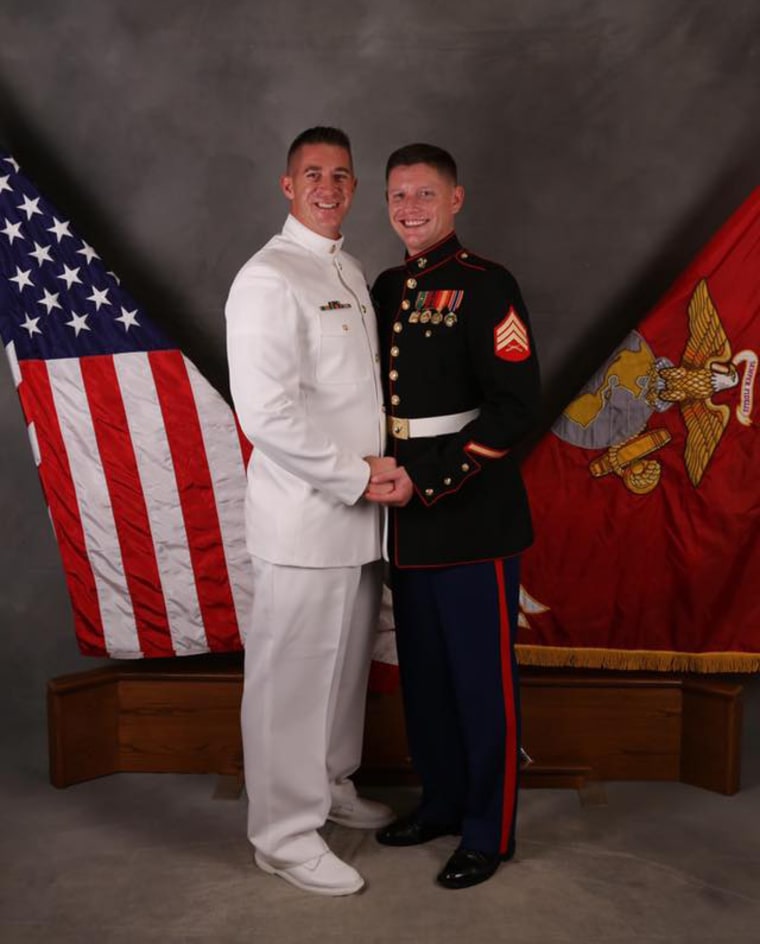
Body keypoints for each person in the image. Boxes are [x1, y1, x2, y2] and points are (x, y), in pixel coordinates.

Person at [365, 143, 541, 889]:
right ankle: (439, 803)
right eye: (399, 196)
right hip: (405, 519)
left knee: (480, 683)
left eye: (425, 195)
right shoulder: (382, 286)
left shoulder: (487, 285)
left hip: (470, 514)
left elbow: (514, 407)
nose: (411, 209)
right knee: (426, 681)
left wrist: (428, 482)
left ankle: (486, 830)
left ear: (456, 199)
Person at [225, 126, 394, 897]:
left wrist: (373, 489)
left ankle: (328, 787)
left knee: (343, 671)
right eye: (313, 175)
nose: (329, 187)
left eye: (342, 175)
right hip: (306, 516)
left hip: (361, 519)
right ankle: (284, 834)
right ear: (287, 186)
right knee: (291, 680)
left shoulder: (349, 268)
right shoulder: (269, 276)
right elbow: (267, 415)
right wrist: (357, 477)